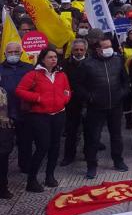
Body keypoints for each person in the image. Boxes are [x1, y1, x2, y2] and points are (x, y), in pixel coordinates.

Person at [15, 47, 70, 192]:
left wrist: (64, 99)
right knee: (43, 146)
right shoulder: (34, 74)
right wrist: (37, 98)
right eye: (50, 57)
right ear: (43, 59)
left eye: (55, 57)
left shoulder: (61, 74)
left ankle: (49, 176)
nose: (53, 59)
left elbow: (67, 90)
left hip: (58, 114)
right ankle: (31, 180)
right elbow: (20, 90)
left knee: (55, 146)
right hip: (40, 116)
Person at [75, 38, 129, 179]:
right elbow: (78, 85)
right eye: (105, 47)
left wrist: (122, 93)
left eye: (110, 46)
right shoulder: (87, 64)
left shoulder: (118, 60)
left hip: (115, 105)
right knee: (93, 138)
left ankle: (118, 160)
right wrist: (90, 98)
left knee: (116, 136)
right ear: (97, 49)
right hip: (95, 107)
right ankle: (91, 165)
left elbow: (125, 80)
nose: (109, 49)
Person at [0, 41, 33, 178]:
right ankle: (3, 171)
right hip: (5, 114)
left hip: (24, 110)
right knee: (5, 145)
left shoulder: (29, 68)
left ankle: (25, 165)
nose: (13, 55)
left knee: (25, 141)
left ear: (21, 53)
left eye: (16, 52)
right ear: (4, 54)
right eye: (10, 52)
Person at [61, 39, 89, 166]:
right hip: (71, 103)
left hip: (88, 102)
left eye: (81, 49)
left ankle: (89, 154)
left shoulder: (92, 63)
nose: (78, 52)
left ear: (85, 50)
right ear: (72, 50)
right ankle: (68, 156)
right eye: (76, 49)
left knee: (90, 131)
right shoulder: (64, 64)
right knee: (71, 131)